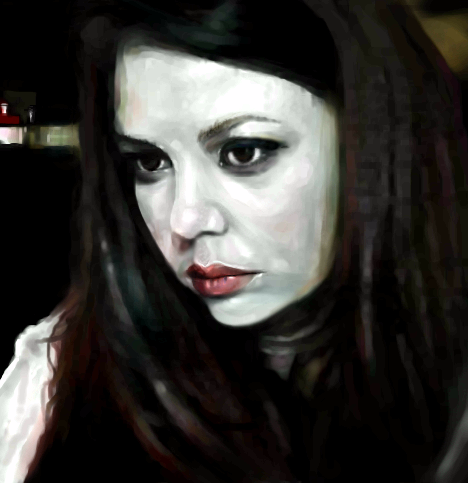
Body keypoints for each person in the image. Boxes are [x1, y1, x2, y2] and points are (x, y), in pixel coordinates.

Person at [1, 0, 468, 482]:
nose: (184, 221)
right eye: (150, 162)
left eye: (243, 152)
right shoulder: (57, 383)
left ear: (376, 144)